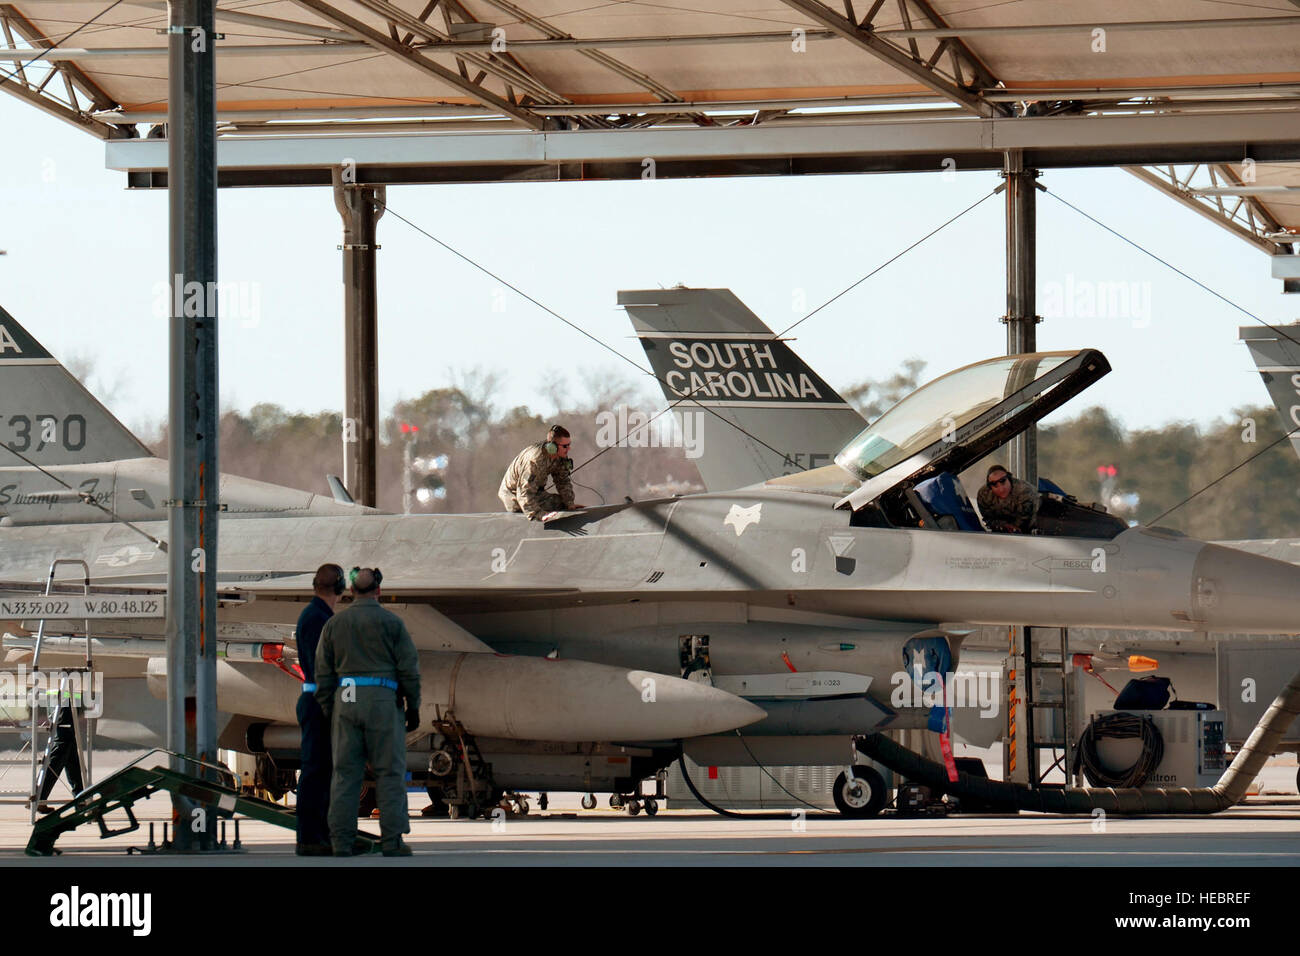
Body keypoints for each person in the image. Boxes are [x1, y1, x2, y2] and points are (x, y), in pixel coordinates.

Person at [315, 567, 421, 857]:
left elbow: (322, 672)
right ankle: (392, 842)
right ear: (379, 591)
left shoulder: (334, 624)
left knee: (345, 775)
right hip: (383, 700)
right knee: (389, 773)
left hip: (346, 699)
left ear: (350, 591)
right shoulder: (392, 623)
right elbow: (409, 670)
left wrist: (328, 708)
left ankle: (341, 842)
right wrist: (414, 706)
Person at [293, 562, 344, 856]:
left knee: (321, 770)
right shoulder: (317, 619)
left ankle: (319, 834)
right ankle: (310, 838)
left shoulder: (318, 615)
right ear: (338, 589)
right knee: (315, 770)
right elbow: (320, 667)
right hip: (319, 701)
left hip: (317, 699)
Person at [498, 424, 582, 519]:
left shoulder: (560, 455)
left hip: (535, 491)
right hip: (514, 495)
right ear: (552, 447)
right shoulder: (534, 461)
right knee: (550, 506)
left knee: (559, 503)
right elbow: (523, 492)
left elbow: (562, 480)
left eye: (569, 445)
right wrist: (539, 514)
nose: (568, 449)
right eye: (565, 446)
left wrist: (569, 504)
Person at [34, 686, 84, 813]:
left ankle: (81, 798)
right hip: (64, 697)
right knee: (62, 746)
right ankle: (39, 796)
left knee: (70, 754)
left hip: (66, 696)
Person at [976, 464, 1039, 534]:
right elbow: (988, 518)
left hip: (1032, 531)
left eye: (1003, 481)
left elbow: (1025, 519)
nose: (1001, 489)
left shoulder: (1024, 491)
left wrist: (1012, 528)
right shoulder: (984, 494)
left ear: (1009, 479)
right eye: (994, 485)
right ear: (990, 487)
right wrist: (1003, 525)